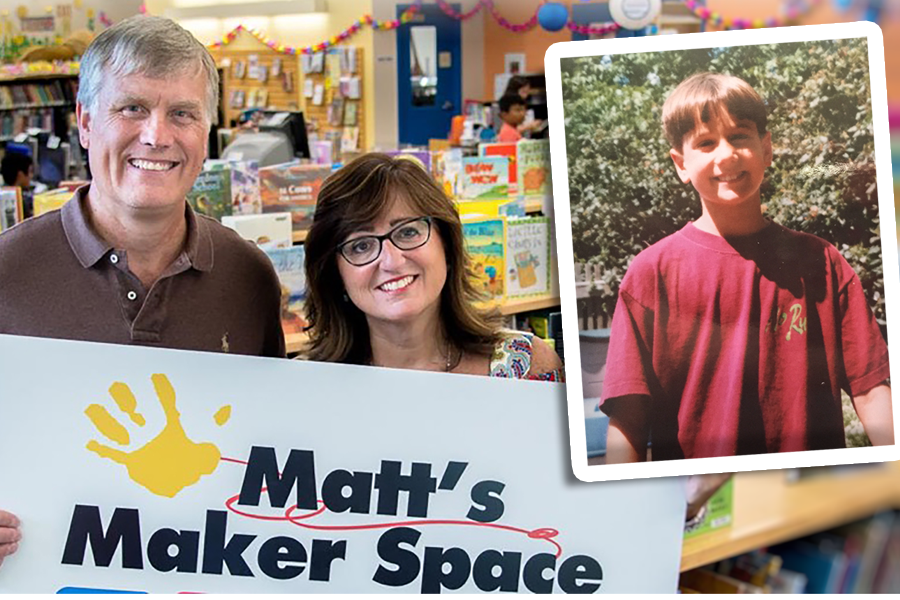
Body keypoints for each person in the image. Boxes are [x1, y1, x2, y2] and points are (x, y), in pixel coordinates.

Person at [0, 15, 285, 565]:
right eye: (131, 107)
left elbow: (268, 449)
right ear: (85, 122)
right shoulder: (7, 272)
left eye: (182, 113)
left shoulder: (248, 276)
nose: (157, 135)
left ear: (206, 133)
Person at [600, 72, 893, 463]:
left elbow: (871, 390)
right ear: (680, 164)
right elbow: (628, 420)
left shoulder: (822, 263)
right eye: (706, 143)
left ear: (766, 147)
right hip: (699, 506)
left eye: (739, 136)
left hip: (810, 498)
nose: (726, 154)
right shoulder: (652, 274)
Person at [302, 152, 564, 380]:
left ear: (447, 245)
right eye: (360, 246)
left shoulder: (527, 366)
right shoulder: (305, 385)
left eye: (407, 232)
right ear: (335, 275)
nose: (392, 261)